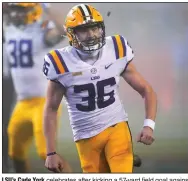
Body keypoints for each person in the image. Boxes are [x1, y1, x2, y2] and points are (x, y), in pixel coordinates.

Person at [43, 4, 157, 173]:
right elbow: (51, 109)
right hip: (85, 137)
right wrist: (50, 152)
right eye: (84, 30)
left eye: (95, 28)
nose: (91, 35)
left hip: (116, 127)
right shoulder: (60, 62)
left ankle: (122, 157)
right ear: (71, 33)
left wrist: (149, 125)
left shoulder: (116, 48)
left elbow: (146, 90)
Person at [3, 3, 72, 173]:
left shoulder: (40, 31)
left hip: (44, 102)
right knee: (14, 153)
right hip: (22, 103)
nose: (16, 15)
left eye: (21, 11)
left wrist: (46, 5)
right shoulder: (9, 30)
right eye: (15, 11)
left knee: (46, 153)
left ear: (34, 11)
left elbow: (64, 29)